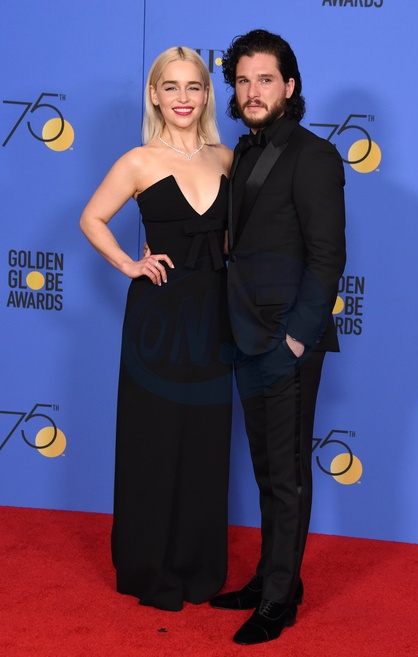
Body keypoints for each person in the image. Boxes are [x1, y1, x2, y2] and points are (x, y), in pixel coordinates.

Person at [80, 46, 233, 611]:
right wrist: (129, 263)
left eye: (194, 87)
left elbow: (236, 237)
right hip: (158, 318)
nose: (183, 98)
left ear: (207, 94)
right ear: (154, 95)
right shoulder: (138, 161)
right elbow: (91, 217)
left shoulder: (227, 157)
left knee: (205, 441)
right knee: (154, 441)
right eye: (171, 87)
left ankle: (198, 565)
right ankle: (149, 566)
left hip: (214, 316)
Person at [210, 30, 346, 644]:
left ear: (289, 86)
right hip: (245, 333)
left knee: (288, 474)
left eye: (265, 79)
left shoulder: (314, 156)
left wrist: (296, 340)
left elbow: (327, 257)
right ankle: (272, 578)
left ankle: (279, 601)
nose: (252, 90)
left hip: (288, 340)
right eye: (242, 80)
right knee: (267, 469)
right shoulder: (244, 151)